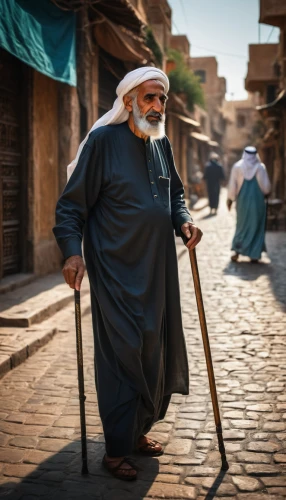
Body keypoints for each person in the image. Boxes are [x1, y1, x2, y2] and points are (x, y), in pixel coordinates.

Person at [53, 67, 203, 481]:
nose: (157, 106)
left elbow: (174, 193)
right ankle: (116, 448)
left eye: (162, 99)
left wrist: (184, 222)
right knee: (123, 353)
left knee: (154, 351)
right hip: (116, 270)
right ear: (128, 102)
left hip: (158, 271)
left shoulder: (161, 142)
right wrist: (72, 253)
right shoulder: (103, 142)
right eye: (149, 97)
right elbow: (70, 207)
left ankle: (137, 431)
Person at [227, 146, 271, 263]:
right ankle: (254, 254)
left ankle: (237, 250)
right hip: (257, 203)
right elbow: (266, 188)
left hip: (242, 203)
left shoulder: (237, 167)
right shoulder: (260, 167)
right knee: (256, 226)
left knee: (241, 226)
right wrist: (266, 194)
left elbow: (232, 186)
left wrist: (230, 200)